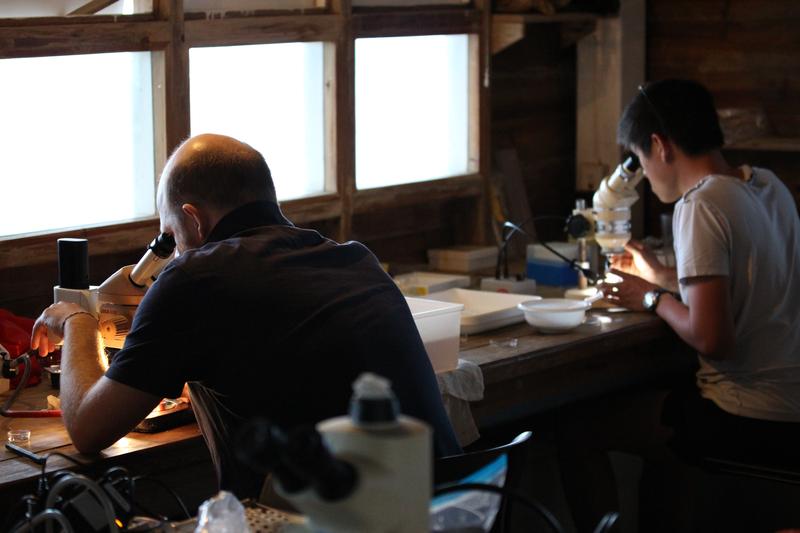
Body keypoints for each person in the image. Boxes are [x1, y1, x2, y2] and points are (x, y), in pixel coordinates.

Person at [31, 133, 461, 499]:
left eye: (171, 236)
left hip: (342, 519)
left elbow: (89, 430)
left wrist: (78, 320)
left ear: (193, 219)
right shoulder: (353, 257)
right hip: (452, 507)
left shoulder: (195, 276)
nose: (173, 251)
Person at [558, 79, 800, 531]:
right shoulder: (767, 185)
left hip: (748, 416)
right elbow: (752, 282)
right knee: (664, 428)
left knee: (576, 430)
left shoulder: (701, 203)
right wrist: (663, 276)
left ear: (659, 146)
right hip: (793, 405)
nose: (645, 176)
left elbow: (714, 339)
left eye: (642, 161)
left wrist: (650, 297)